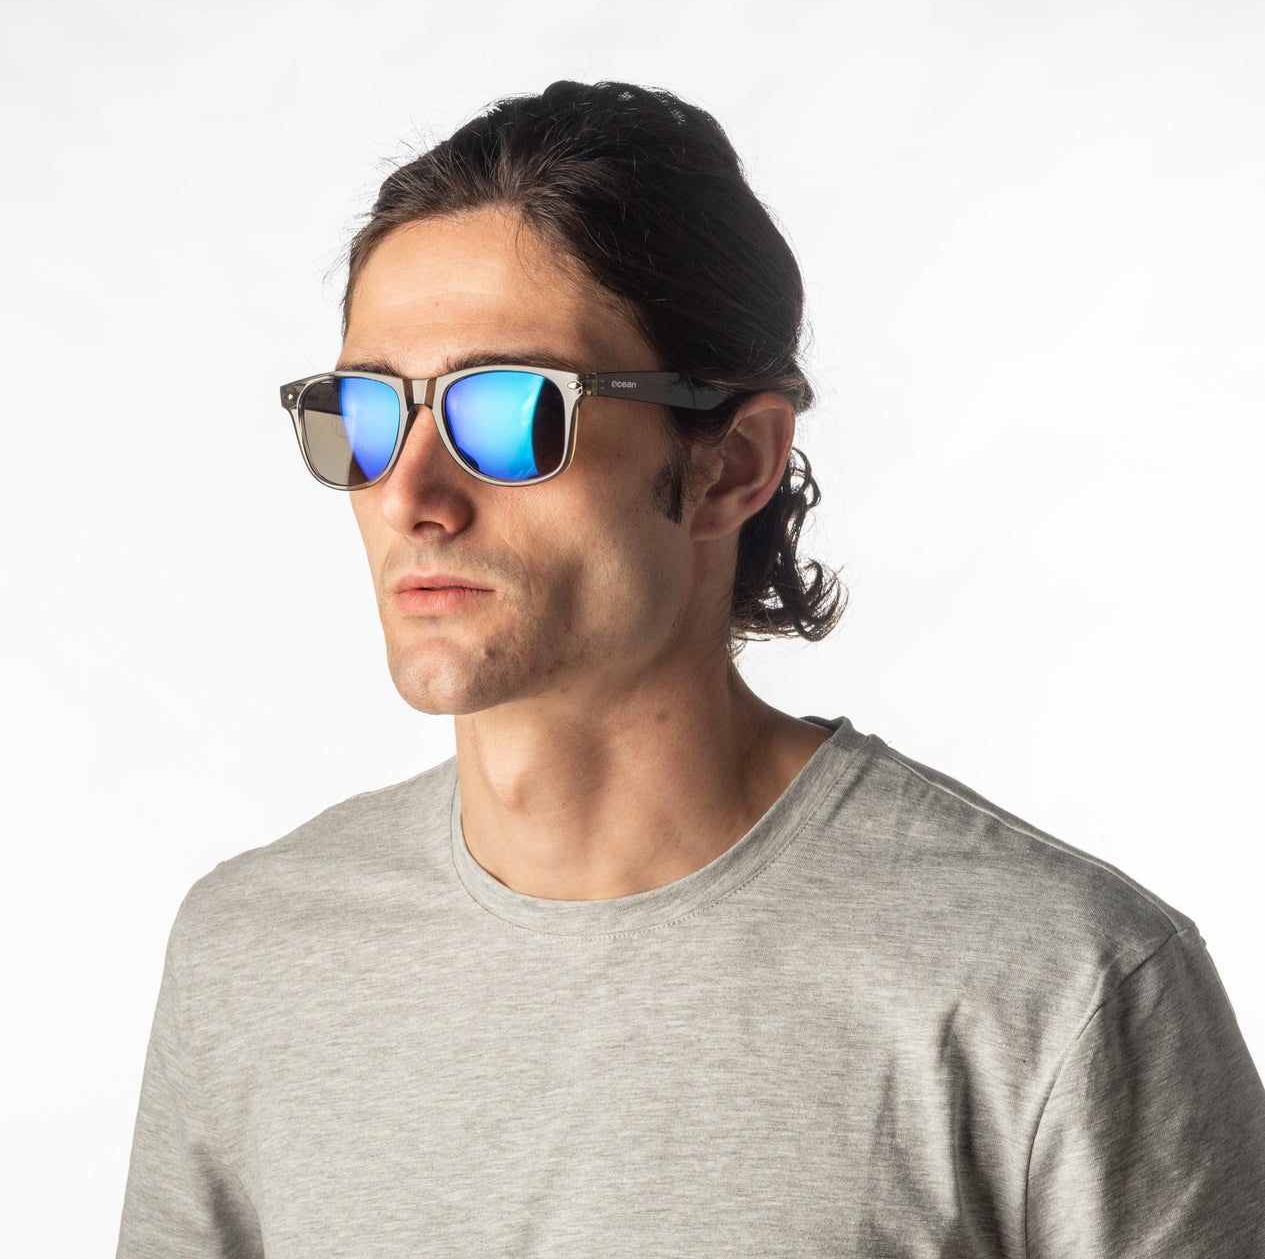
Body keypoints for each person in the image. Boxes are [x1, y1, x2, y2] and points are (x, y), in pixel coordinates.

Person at [116, 80, 1265, 1257]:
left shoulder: (1057, 981)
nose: (409, 493)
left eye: (508, 410)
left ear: (732, 463)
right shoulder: (249, 953)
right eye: (367, 411)